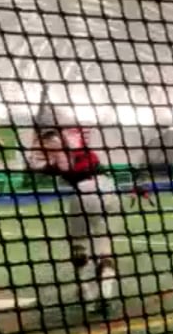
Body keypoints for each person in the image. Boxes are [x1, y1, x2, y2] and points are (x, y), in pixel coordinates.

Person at [34, 126, 123, 315]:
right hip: (109, 190)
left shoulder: (59, 156)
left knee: (79, 246)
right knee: (105, 249)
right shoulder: (80, 146)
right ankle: (105, 297)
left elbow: (46, 166)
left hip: (84, 191)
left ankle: (85, 292)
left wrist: (39, 160)